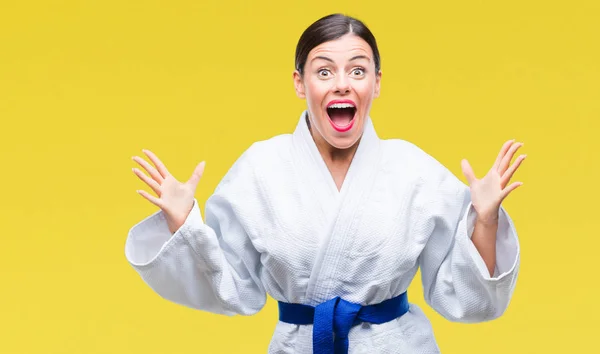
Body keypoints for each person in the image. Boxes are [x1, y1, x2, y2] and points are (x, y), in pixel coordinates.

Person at [125, 13, 525, 354]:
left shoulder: (413, 169)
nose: (342, 84)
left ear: (377, 82)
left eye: (357, 70)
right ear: (301, 84)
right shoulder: (260, 169)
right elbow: (234, 288)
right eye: (324, 71)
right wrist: (184, 225)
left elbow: (464, 295)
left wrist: (485, 221)